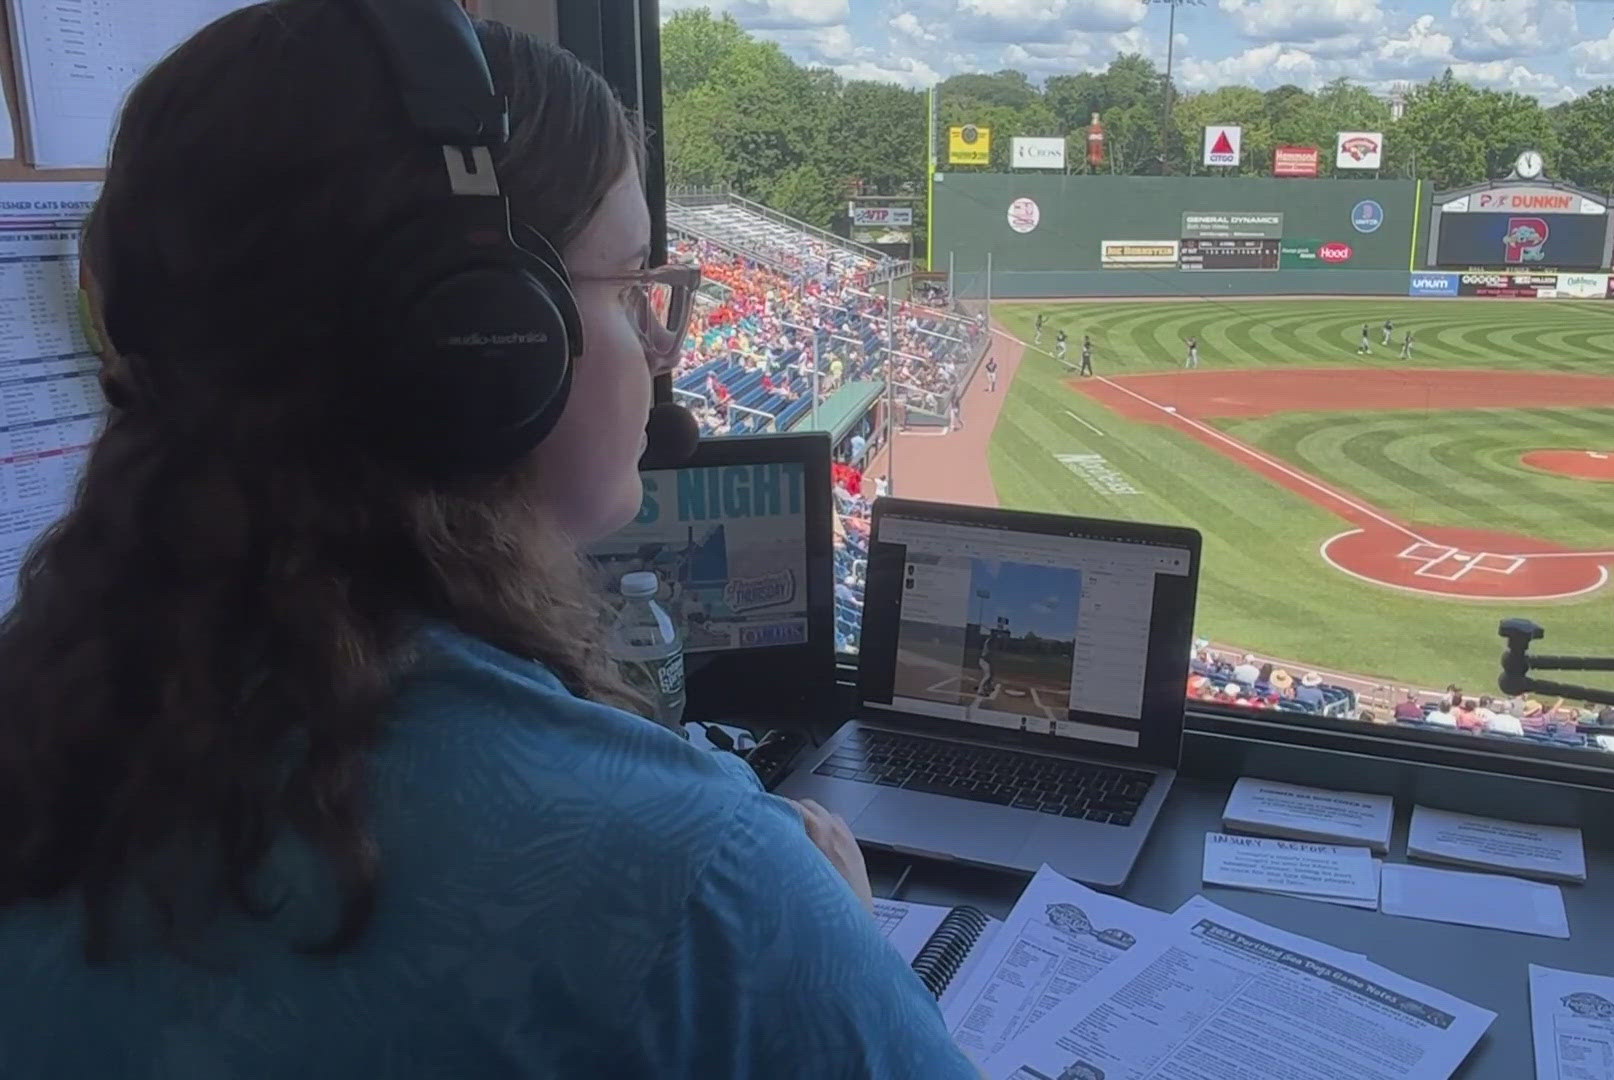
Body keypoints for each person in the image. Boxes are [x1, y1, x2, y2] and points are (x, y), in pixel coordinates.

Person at [0, 5, 979, 1078]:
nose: (661, 346)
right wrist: (829, 943)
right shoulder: (698, 880)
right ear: (486, 342)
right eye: (636, 285)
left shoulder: (55, 704)